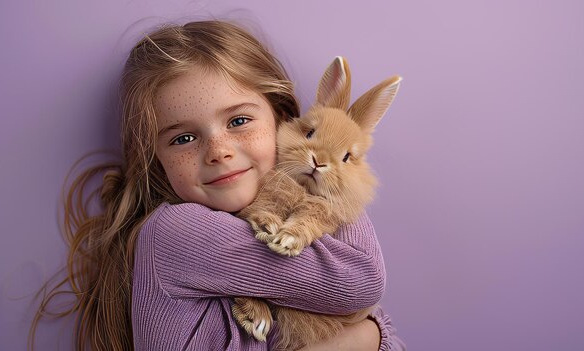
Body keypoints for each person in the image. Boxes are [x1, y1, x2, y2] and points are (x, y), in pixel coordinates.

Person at [29, 20, 406, 351]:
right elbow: (361, 284)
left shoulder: (271, 216)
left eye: (239, 121)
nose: (218, 151)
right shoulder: (177, 232)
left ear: (282, 119)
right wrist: (365, 335)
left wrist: (328, 154)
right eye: (182, 139)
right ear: (154, 159)